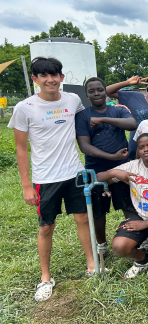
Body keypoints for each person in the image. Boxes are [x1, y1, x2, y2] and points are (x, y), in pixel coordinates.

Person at [8, 57, 95, 302]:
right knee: (46, 227)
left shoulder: (73, 100)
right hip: (45, 178)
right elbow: (21, 149)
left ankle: (92, 266)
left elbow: (86, 121)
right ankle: (46, 278)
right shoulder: (24, 107)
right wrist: (26, 185)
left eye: (54, 75)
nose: (50, 80)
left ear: (62, 77)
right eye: (44, 76)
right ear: (35, 79)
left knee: (82, 219)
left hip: (74, 173)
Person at [96, 133, 148, 278]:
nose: (146, 149)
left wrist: (146, 224)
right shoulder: (132, 166)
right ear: (138, 151)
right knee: (119, 246)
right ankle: (143, 259)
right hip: (140, 215)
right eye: (141, 147)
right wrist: (115, 172)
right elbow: (98, 178)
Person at [75, 77, 138, 256]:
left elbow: (132, 124)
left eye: (100, 90)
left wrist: (103, 119)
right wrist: (111, 156)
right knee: (98, 210)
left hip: (122, 167)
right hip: (96, 169)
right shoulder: (82, 116)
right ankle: (101, 244)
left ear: (105, 91)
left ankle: (133, 239)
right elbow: (85, 147)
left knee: (128, 205)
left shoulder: (117, 111)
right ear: (87, 95)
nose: (96, 94)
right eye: (92, 91)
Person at [105, 71, 148, 160]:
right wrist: (127, 82)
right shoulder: (133, 96)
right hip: (136, 148)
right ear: (146, 84)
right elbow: (106, 91)